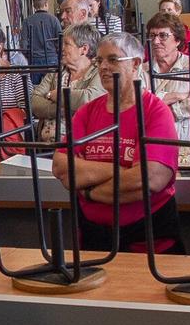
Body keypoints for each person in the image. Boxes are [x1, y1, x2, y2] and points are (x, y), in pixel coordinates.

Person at [57, 33, 182, 252]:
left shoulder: (155, 111)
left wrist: (88, 190)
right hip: (93, 239)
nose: (103, 67)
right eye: (99, 60)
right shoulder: (87, 112)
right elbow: (61, 167)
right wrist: (121, 170)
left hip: (148, 240)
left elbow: (149, 179)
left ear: (135, 64)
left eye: (113, 59)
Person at [30, 21, 105, 138]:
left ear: (84, 49)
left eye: (67, 44)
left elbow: (89, 99)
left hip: (81, 140)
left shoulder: (98, 72)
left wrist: (55, 95)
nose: (61, 48)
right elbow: (34, 102)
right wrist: (64, 109)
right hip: (46, 142)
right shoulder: (56, 72)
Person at [143, 11, 190, 155]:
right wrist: (177, 96)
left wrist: (158, 111)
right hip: (152, 144)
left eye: (163, 35)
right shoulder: (142, 70)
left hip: (185, 144)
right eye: (152, 36)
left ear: (178, 40)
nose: (156, 41)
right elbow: (140, 106)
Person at [21, 0, 63, 72]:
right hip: (51, 58)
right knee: (52, 80)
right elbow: (60, 41)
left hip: (34, 59)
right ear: (46, 4)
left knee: (35, 80)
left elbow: (24, 43)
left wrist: (28, 55)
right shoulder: (54, 20)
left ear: (33, 6)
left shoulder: (27, 21)